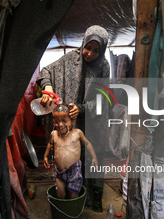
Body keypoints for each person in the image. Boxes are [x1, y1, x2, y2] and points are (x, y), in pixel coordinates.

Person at [37, 25, 110, 206]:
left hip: (92, 121)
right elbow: (45, 71)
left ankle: (93, 198)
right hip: (70, 121)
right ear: (83, 42)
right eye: (87, 47)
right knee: (71, 156)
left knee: (91, 154)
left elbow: (105, 99)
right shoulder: (69, 59)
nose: (90, 54)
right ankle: (73, 198)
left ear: (102, 51)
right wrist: (47, 87)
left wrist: (83, 108)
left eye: (96, 50)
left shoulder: (103, 67)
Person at [43, 104, 98, 199]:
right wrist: (45, 156)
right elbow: (50, 144)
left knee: (73, 196)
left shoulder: (77, 133)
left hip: (74, 172)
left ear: (72, 121)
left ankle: (72, 210)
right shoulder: (54, 134)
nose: (60, 125)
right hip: (60, 173)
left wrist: (94, 157)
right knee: (59, 195)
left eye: (64, 121)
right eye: (57, 121)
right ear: (53, 121)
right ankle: (63, 211)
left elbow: (87, 144)